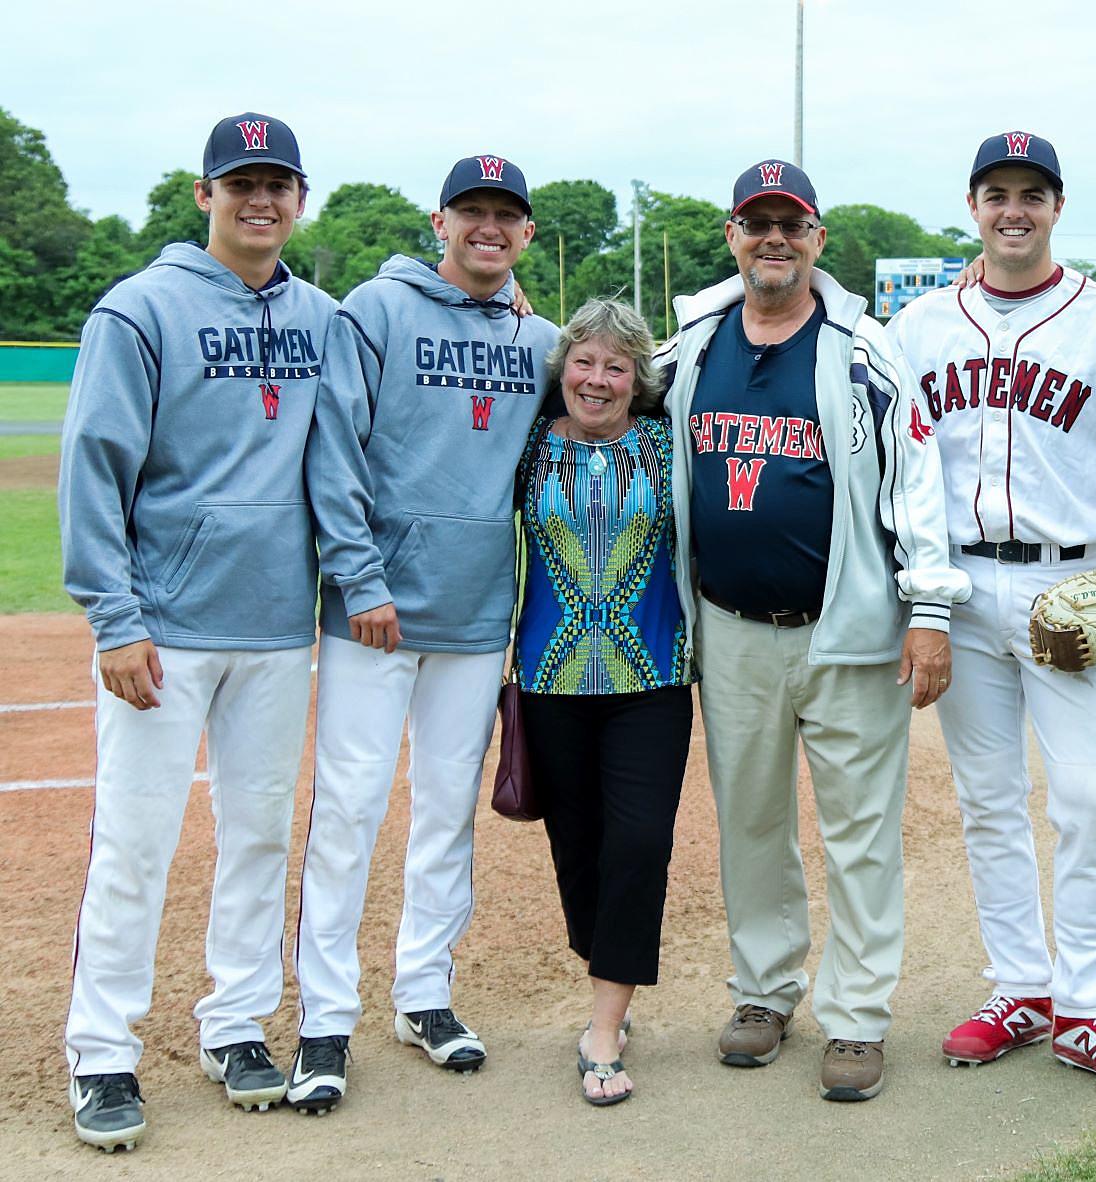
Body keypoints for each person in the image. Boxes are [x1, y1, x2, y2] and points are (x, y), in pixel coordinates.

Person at [885, 131, 1096, 1097]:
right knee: (986, 802)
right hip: (961, 588)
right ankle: (1020, 985)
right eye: (995, 192)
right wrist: (916, 599)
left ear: (1056, 206)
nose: (1012, 209)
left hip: (1073, 587)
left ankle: (1089, 1006)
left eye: (1031, 193)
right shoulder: (921, 327)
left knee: (1090, 798)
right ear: (971, 205)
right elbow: (893, 470)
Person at [657, 159, 964, 1103]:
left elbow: (917, 486)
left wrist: (928, 610)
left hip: (847, 629)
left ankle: (859, 1016)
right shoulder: (694, 345)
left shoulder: (861, 349)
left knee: (859, 832)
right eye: (758, 223)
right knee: (750, 822)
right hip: (731, 627)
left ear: (817, 239)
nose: (774, 239)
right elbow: (611, 403)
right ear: (733, 236)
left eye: (791, 224)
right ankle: (763, 990)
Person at [58, 113, 335, 1152]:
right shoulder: (139, 309)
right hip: (163, 633)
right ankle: (101, 1050)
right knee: (135, 843)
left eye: (278, 185)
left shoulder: (322, 314)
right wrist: (115, 619)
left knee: (258, 835)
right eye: (241, 183)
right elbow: (95, 467)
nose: (260, 201)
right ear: (204, 194)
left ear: (300, 199)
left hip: (275, 629)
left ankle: (234, 1024)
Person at [292, 155, 557, 1112]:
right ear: (440, 221)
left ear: (525, 235)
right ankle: (325, 1017)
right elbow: (334, 448)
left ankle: (424, 994)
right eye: (473, 212)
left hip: (480, 612)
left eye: (507, 216)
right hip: (377, 614)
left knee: (446, 811)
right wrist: (359, 577)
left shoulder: (541, 339)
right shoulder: (378, 308)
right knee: (351, 809)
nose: (489, 228)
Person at [514, 299, 690, 1105]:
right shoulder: (528, 446)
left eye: (616, 365)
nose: (597, 378)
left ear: (638, 378)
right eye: (583, 361)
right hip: (549, 678)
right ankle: (607, 963)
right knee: (577, 848)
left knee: (640, 842)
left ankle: (604, 1023)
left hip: (649, 677)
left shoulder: (665, 443)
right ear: (562, 369)